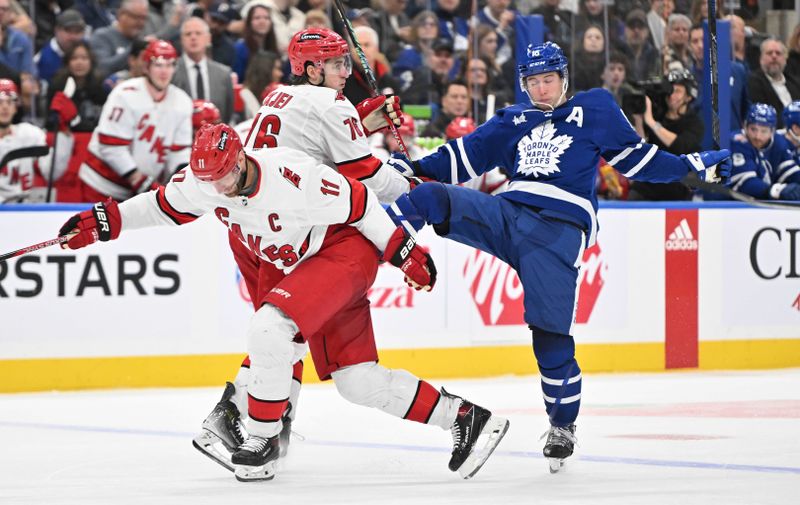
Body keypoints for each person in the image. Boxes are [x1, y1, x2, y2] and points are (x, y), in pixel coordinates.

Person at [57, 122, 510, 482]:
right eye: (208, 181)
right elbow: (160, 205)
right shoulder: (206, 180)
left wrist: (403, 251)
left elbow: (361, 204)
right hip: (305, 265)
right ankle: (466, 417)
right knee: (357, 382)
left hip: (341, 252)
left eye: (223, 178)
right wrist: (105, 220)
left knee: (270, 329)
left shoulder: (294, 176)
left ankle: (262, 438)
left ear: (241, 161)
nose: (216, 190)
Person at [385, 41, 731, 473]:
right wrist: (409, 169)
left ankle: (562, 424)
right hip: (508, 214)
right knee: (430, 196)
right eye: (533, 81)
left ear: (564, 78)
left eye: (548, 79)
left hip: (558, 231)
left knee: (549, 337)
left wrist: (692, 165)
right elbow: (459, 158)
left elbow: (638, 161)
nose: (541, 89)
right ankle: (369, 243)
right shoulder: (514, 119)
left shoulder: (595, 108)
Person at [194, 27, 449, 470]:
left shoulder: (281, 95)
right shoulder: (330, 102)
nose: (346, 72)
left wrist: (361, 119)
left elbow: (310, 148)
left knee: (281, 333)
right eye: (335, 64)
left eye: (347, 62)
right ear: (310, 68)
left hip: (254, 228)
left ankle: (250, 421)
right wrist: (409, 183)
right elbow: (362, 173)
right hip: (287, 230)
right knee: (284, 331)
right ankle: (236, 417)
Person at [76, 39, 192, 202]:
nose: (164, 71)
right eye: (158, 65)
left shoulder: (182, 101)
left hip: (140, 192)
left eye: (169, 65)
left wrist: (179, 183)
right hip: (101, 185)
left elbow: (179, 152)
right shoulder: (124, 94)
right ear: (146, 67)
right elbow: (111, 147)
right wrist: (138, 179)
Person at [630, 68, 703, 200]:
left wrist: (651, 122)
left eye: (677, 91)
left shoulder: (694, 123)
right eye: (670, 90)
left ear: (689, 96)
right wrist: (639, 121)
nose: (671, 95)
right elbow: (640, 145)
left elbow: (680, 146)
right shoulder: (657, 114)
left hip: (677, 186)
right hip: (649, 183)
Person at [727, 103, 800, 201]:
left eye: (764, 131)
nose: (758, 136)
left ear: (772, 131)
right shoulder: (737, 142)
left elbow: (792, 173)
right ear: (745, 126)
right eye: (753, 129)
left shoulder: (778, 143)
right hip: (726, 207)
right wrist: (777, 190)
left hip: (760, 207)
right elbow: (746, 184)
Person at [171, 17, 235, 124]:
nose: (193, 37)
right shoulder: (172, 72)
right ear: (181, 40)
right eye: (188, 34)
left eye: (198, 33)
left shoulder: (224, 74)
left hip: (215, 136)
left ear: (208, 39)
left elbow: (228, 114)